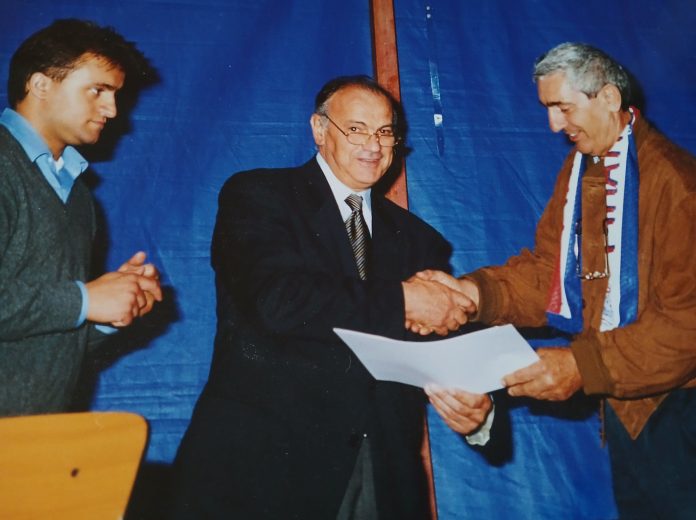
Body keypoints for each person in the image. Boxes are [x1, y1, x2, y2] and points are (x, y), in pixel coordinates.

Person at [171, 75, 493, 519]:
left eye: (385, 132)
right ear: (319, 130)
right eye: (356, 129)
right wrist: (404, 300)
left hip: (381, 476)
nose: (373, 145)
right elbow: (278, 301)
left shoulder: (419, 240)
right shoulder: (258, 197)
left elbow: (440, 342)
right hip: (264, 473)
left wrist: (480, 411)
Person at [414, 43, 696, 518]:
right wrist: (474, 293)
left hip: (679, 412)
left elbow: (688, 325)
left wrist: (582, 366)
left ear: (608, 98)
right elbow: (554, 271)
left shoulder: (678, 185)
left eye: (563, 108)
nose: (553, 125)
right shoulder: (584, 168)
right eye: (548, 109)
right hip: (628, 411)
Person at [0, 19, 162, 416]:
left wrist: (111, 311)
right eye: (98, 90)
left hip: (42, 432)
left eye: (115, 94)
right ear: (40, 85)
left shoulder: (78, 196)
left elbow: (46, 333)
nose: (112, 109)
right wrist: (86, 299)